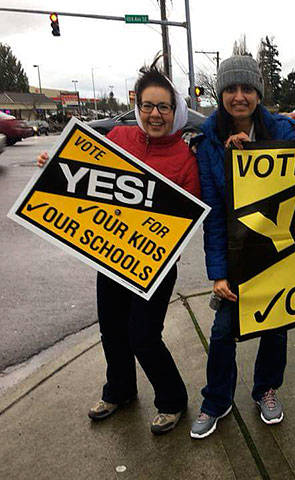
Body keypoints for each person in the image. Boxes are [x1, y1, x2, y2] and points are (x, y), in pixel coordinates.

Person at [37, 59, 200, 435]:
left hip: (155, 266)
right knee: (111, 329)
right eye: (147, 106)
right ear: (137, 106)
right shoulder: (119, 140)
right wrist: (54, 168)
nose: (154, 114)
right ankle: (120, 390)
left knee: (143, 335)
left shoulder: (184, 159)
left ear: (174, 112)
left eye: (163, 107)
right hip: (110, 260)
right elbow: (81, 179)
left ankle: (172, 399)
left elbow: (188, 217)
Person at [190, 56, 295, 439]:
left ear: (258, 94)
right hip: (234, 258)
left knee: (275, 327)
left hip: (275, 250)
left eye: (247, 89)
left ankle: (266, 390)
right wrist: (218, 272)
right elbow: (214, 215)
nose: (239, 97)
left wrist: (253, 156)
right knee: (222, 333)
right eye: (231, 89)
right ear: (221, 94)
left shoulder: (283, 132)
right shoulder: (206, 143)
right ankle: (216, 400)